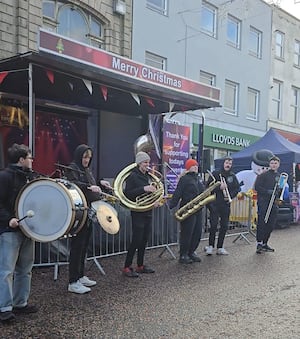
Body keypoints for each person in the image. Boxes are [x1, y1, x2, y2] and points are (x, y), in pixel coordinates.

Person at [65, 144, 111, 293]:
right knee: (77, 247)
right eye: (85, 157)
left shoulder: (86, 170)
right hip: (79, 212)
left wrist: (100, 183)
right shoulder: (72, 168)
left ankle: (80, 275)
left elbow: (91, 184)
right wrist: (89, 187)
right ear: (79, 156)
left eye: (89, 157)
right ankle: (73, 281)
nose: (87, 160)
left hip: (88, 212)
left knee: (84, 246)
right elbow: (73, 184)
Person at [0, 144, 38, 323]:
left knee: (25, 269)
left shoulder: (30, 177)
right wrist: (8, 219)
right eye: (29, 157)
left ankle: (20, 303)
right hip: (10, 230)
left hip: (27, 230)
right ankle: (4, 308)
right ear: (21, 159)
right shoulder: (4, 176)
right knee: (7, 270)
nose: (32, 160)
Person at [122, 151, 157, 277]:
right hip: (137, 212)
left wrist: (155, 200)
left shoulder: (148, 176)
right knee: (136, 240)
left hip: (148, 210)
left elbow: (151, 193)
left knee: (144, 239)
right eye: (145, 162)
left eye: (148, 162)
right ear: (139, 163)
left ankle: (140, 265)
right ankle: (127, 266)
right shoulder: (133, 176)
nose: (147, 165)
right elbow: (128, 193)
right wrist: (144, 188)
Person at [169, 159, 205, 264]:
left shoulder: (198, 179)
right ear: (188, 168)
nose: (195, 167)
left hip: (198, 208)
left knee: (197, 232)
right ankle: (183, 254)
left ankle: (191, 252)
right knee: (187, 232)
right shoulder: (184, 179)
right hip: (187, 208)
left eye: (196, 166)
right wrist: (171, 205)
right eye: (193, 166)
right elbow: (178, 192)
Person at [205, 156, 240, 255]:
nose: (228, 165)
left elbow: (237, 189)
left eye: (230, 163)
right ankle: (210, 246)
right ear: (223, 163)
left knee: (224, 226)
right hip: (215, 204)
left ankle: (220, 247)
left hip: (226, 204)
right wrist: (219, 188)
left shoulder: (232, 176)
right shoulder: (216, 174)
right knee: (213, 225)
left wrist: (230, 196)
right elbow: (208, 187)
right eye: (226, 163)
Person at [254, 155, 282, 254]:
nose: (274, 165)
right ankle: (259, 243)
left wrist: (279, 191)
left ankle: (265, 243)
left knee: (271, 224)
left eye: (275, 163)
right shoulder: (263, 175)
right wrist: (267, 191)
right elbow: (257, 187)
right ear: (269, 164)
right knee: (262, 222)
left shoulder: (279, 176)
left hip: (273, 202)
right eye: (272, 163)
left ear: (278, 164)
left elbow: (281, 189)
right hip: (263, 201)